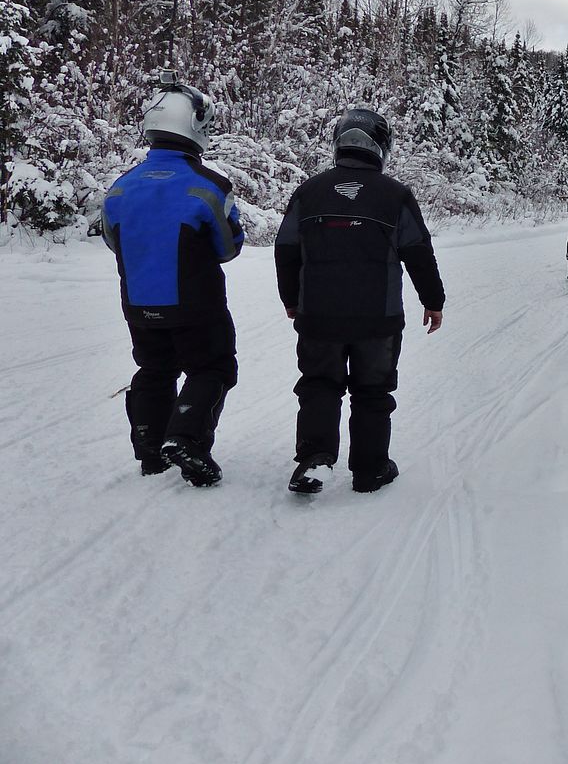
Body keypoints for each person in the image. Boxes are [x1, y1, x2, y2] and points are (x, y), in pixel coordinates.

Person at [274, 109, 445, 495]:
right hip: (377, 319)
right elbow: (418, 251)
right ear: (381, 147)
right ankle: (370, 469)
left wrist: (291, 299)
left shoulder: (309, 191)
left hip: (318, 315)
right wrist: (433, 300)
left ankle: (314, 460)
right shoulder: (395, 195)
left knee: (319, 384)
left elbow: (285, 250)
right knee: (373, 390)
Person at [101, 72, 243, 486]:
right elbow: (229, 247)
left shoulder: (119, 188)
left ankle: (149, 448)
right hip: (197, 304)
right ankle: (186, 440)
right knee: (213, 367)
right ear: (195, 125)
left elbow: (114, 241)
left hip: (139, 303)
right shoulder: (209, 187)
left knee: (153, 369)